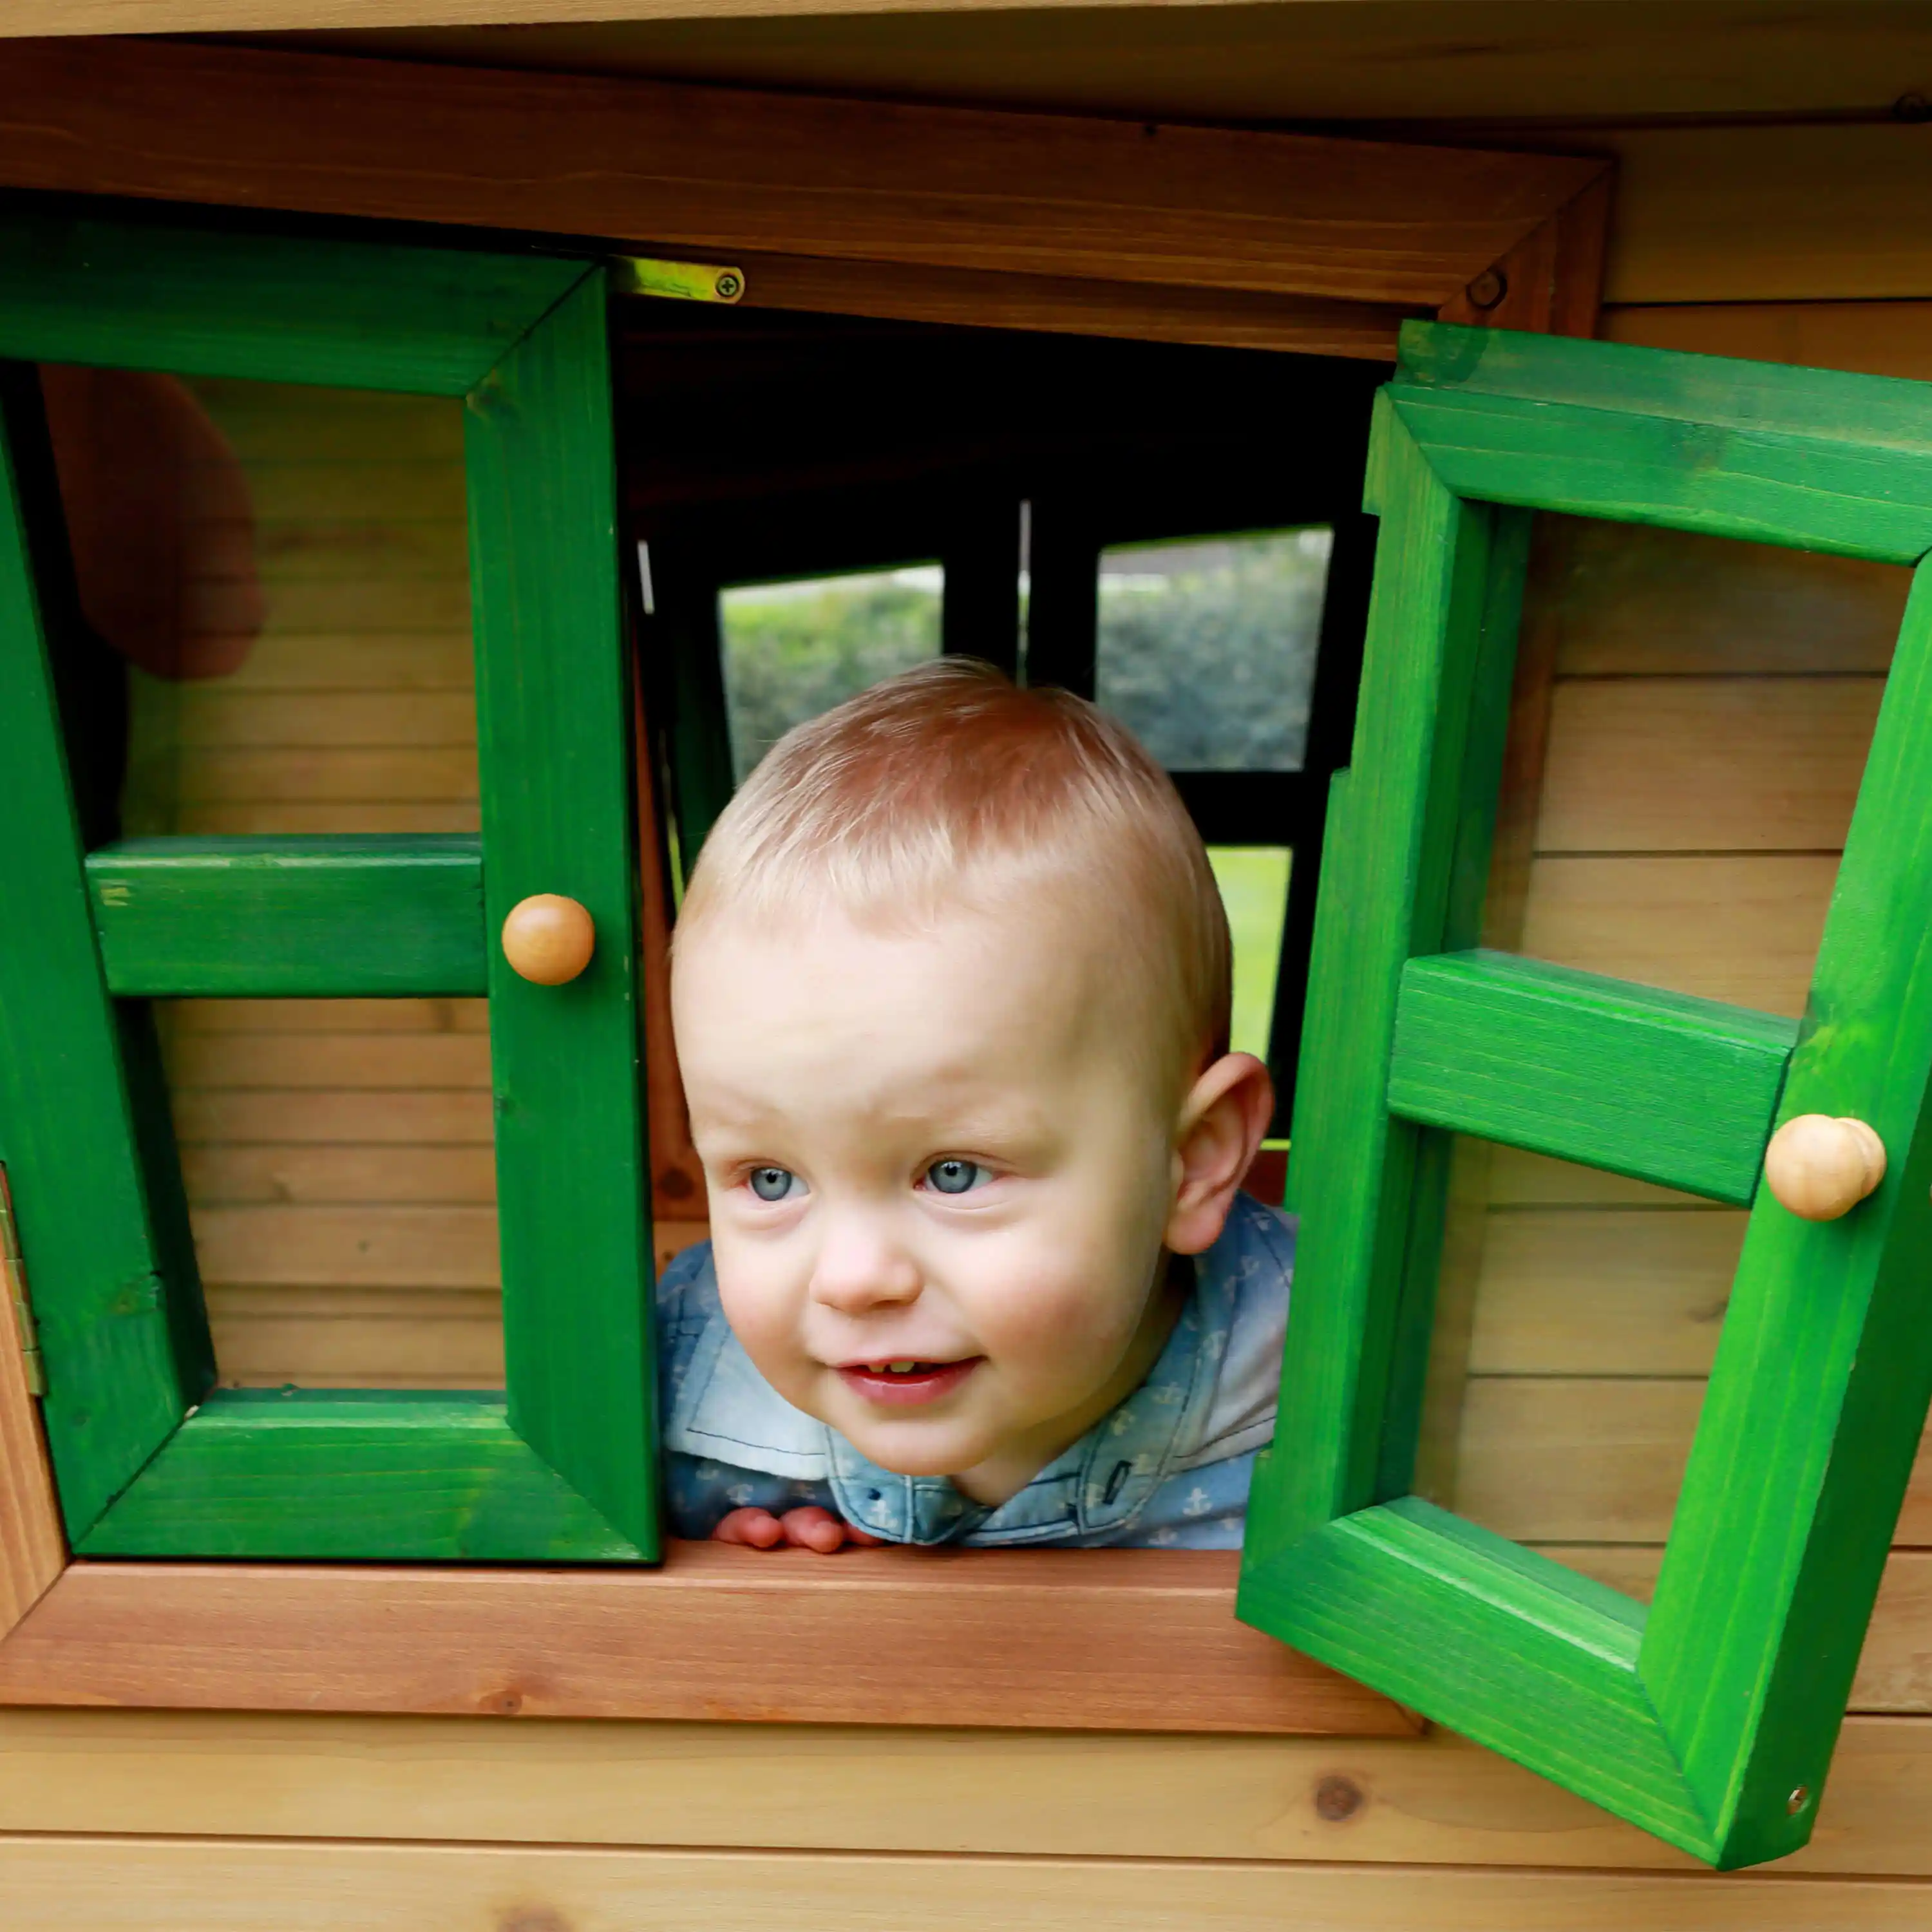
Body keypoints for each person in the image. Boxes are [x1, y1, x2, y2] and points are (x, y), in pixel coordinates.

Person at [658, 658, 1292, 1551]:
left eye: (951, 1174)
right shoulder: (673, 1366)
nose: (851, 1279)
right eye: (770, 1179)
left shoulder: (1333, 1376)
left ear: (1191, 1163)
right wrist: (706, 1562)